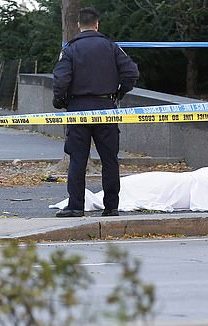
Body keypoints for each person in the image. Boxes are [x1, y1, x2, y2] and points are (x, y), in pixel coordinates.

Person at [52, 7, 139, 218]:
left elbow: (61, 79)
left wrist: (60, 101)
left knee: (77, 159)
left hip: (78, 109)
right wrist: (119, 93)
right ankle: (111, 207)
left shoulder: (71, 49)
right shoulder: (111, 47)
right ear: (97, 24)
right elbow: (131, 72)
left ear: (78, 25)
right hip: (105, 108)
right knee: (110, 159)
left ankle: (75, 207)